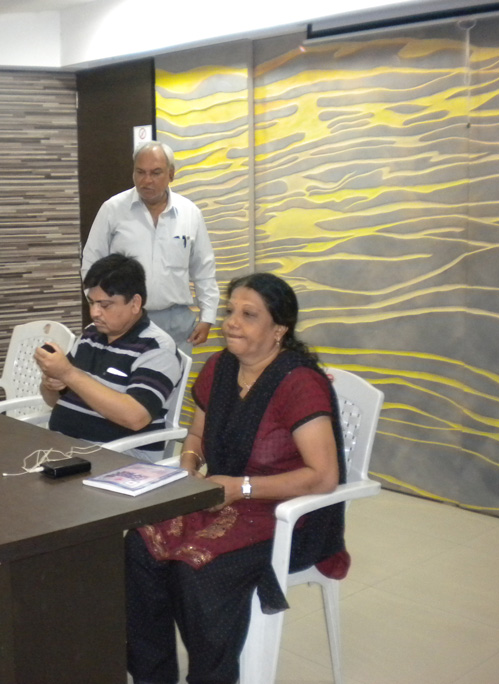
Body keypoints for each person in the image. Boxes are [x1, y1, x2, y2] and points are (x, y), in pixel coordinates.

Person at [125, 272, 349, 684]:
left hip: (285, 514)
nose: (231, 323)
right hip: (218, 495)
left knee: (196, 569)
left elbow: (323, 476)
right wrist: (188, 464)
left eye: (249, 315)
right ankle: (152, 676)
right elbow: (196, 436)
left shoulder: (300, 383)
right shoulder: (220, 368)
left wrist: (242, 487)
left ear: (279, 329)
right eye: (231, 312)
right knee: (140, 544)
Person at [37, 254, 182, 463]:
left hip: (120, 459)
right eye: (91, 303)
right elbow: (55, 401)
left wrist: (68, 373)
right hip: (68, 450)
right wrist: (51, 383)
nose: (94, 313)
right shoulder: (90, 335)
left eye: (105, 305)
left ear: (135, 303)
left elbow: (135, 417)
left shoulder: (157, 348)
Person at [81, 141, 218, 356]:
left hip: (176, 322)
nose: (146, 180)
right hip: (125, 320)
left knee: (174, 376)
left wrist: (208, 317)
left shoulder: (190, 213)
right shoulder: (112, 210)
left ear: (171, 174)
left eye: (155, 173)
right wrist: (100, 307)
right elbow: (91, 263)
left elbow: (204, 270)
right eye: (140, 172)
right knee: (123, 377)